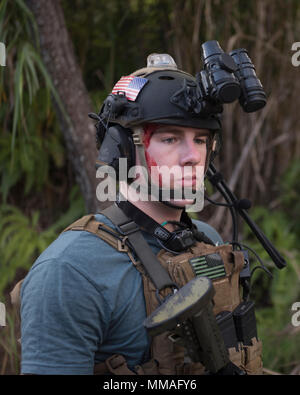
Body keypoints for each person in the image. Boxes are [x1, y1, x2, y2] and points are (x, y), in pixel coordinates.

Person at [19, 53, 263, 375]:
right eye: (170, 138)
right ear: (122, 149)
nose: (193, 157)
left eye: (201, 140)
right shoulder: (70, 271)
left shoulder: (208, 240)